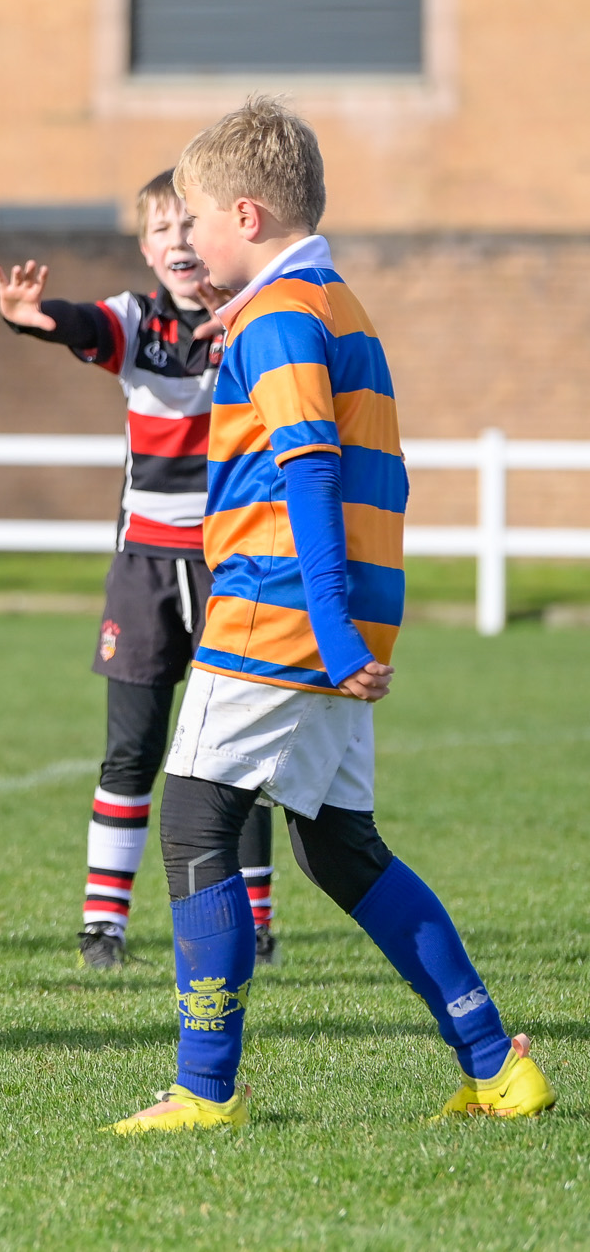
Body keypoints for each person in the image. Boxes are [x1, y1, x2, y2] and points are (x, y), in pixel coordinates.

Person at [111, 97, 556, 1132]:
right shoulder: (328, 301)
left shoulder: (277, 318)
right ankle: (495, 1064)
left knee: (194, 820)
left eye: (194, 218)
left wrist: (328, 622)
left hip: (277, 611)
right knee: (338, 846)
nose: (184, 239)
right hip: (329, 612)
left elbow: (308, 469)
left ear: (247, 216)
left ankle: (204, 1089)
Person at [0, 172, 282, 971]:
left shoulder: (256, 317)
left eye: (191, 225)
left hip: (234, 564)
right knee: (131, 752)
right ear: (147, 250)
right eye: (162, 230)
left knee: (237, 752)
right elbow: (83, 322)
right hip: (146, 569)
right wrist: (35, 318)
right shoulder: (136, 321)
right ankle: (103, 927)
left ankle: (257, 924)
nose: (179, 242)